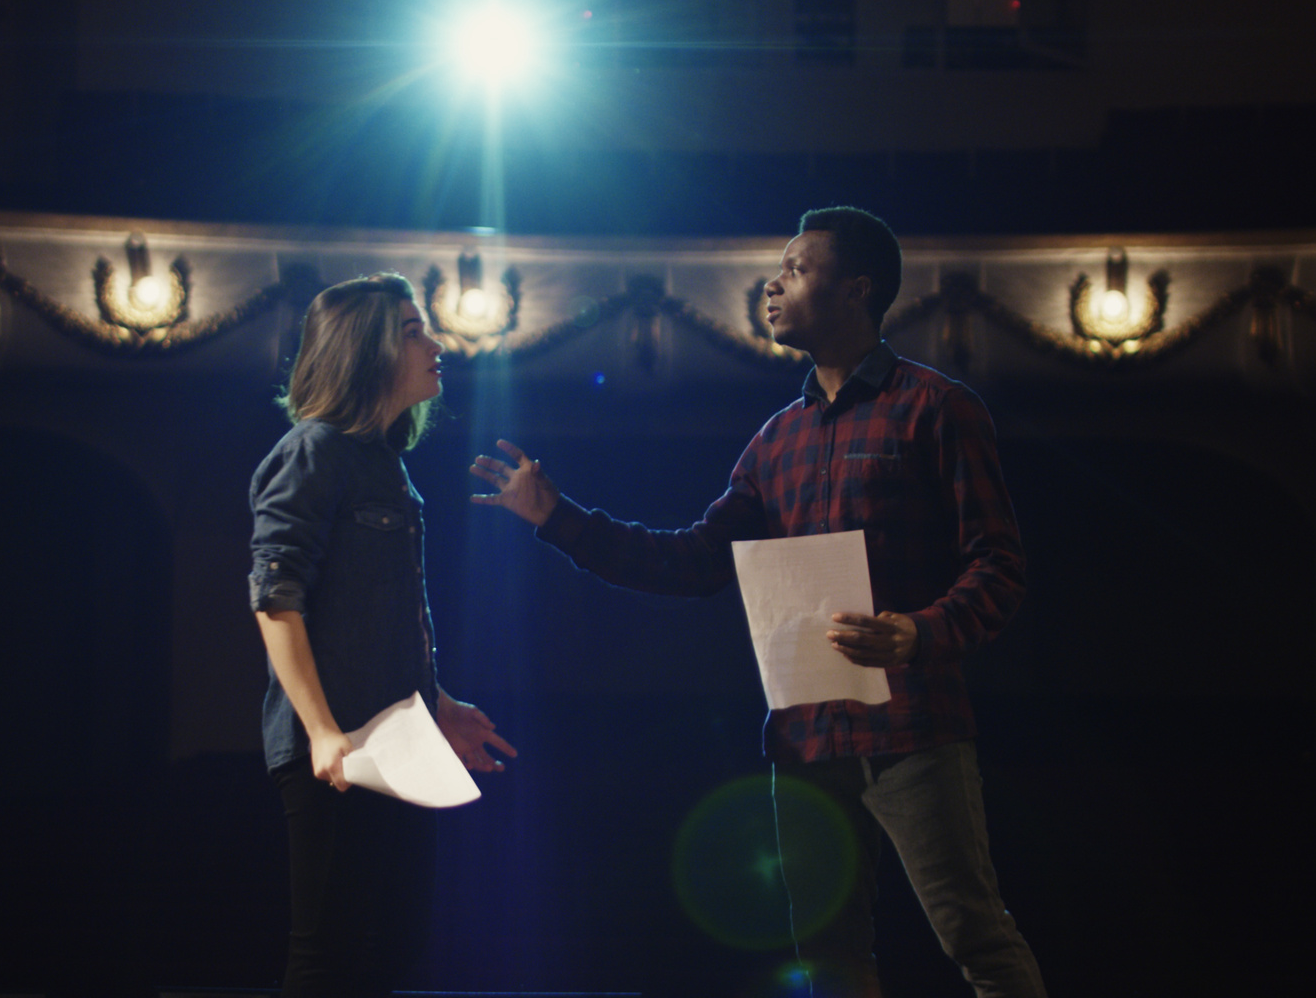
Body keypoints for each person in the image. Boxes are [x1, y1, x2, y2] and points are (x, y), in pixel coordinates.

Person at [470, 208, 1046, 998]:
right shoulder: (776, 440)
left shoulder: (936, 408)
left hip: (914, 729)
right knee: (828, 953)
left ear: (857, 291)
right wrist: (558, 519)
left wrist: (918, 632)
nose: (773, 284)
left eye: (798, 268)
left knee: (974, 934)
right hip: (805, 737)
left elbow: (999, 567)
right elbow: (695, 560)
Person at [250, 273, 516, 998]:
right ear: (362, 350)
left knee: (394, 949)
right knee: (328, 957)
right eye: (411, 330)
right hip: (341, 749)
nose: (435, 345)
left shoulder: (384, 464)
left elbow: (380, 617)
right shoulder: (316, 450)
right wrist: (322, 730)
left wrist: (440, 703)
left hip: (396, 739)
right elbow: (276, 599)